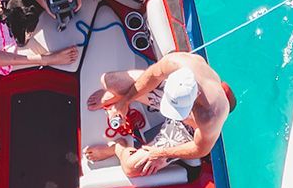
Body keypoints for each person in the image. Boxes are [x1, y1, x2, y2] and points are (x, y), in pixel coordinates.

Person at [85, 51, 236, 178]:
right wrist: (125, 100)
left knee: (132, 168)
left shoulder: (210, 115)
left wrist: (160, 153)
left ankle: (117, 147)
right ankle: (118, 97)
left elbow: (200, 149)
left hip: (189, 128)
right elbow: (152, 75)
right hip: (167, 94)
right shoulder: (176, 63)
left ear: (197, 94)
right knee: (110, 81)